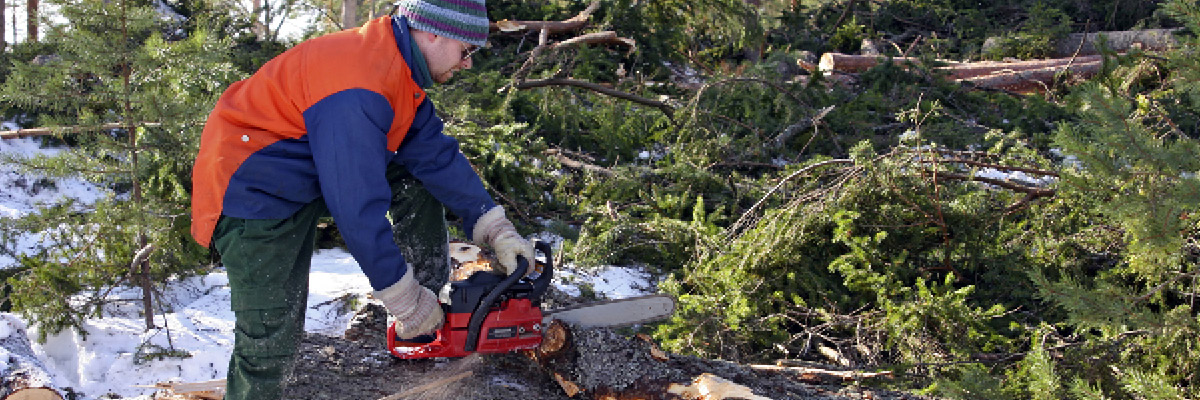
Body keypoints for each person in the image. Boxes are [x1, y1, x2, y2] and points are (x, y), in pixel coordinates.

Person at [188, 1, 534, 398]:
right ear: (434, 33)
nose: (468, 63)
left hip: (304, 172)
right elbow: (356, 207)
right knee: (269, 339)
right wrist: (399, 295)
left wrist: (495, 226)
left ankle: (426, 325)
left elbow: (436, 156)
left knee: (416, 175)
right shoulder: (360, 86)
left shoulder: (398, 71)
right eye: (467, 50)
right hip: (251, 189)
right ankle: (409, 310)